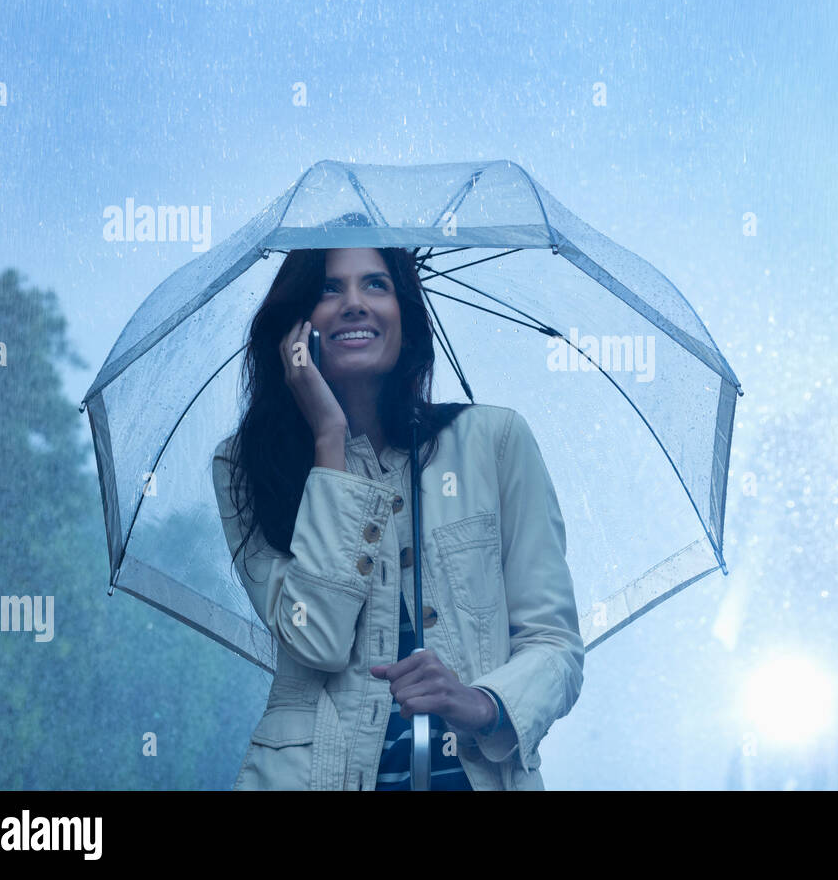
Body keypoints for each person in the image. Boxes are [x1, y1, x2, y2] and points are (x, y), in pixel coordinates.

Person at [211, 241, 584, 790]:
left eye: (376, 285)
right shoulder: (246, 466)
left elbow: (555, 647)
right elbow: (317, 640)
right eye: (328, 289)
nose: (354, 303)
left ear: (405, 316)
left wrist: (479, 701)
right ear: (294, 330)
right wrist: (329, 439)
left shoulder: (494, 442)